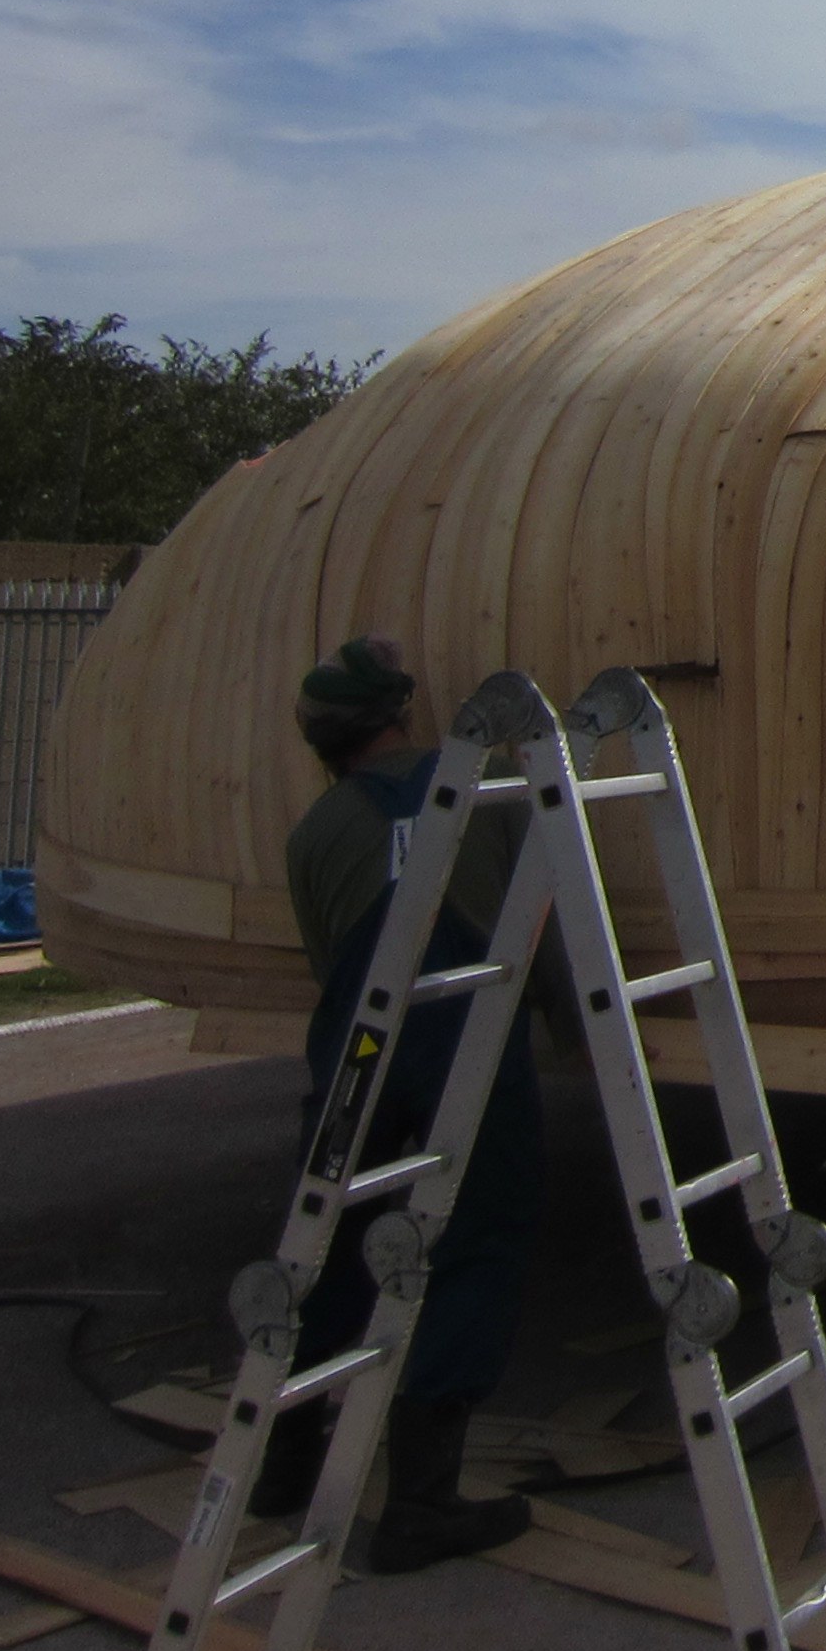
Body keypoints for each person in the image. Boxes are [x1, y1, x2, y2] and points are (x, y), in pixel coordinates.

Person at [250, 638, 540, 1571]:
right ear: (402, 715)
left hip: (359, 1054)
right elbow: (548, 912)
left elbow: (325, 965)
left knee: (325, 1235)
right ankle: (420, 1500)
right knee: (478, 1239)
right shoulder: (489, 790)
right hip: (469, 1038)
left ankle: (281, 1464)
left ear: (320, 742)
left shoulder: (315, 835)